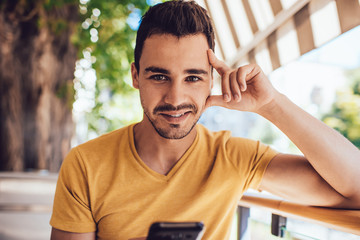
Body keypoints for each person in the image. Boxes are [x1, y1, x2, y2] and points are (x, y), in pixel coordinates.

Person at [49, 1, 360, 239]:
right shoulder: (86, 165)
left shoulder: (235, 158)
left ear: (212, 81)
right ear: (135, 76)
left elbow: (355, 188)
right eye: (159, 76)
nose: (175, 98)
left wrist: (271, 104)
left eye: (193, 77)